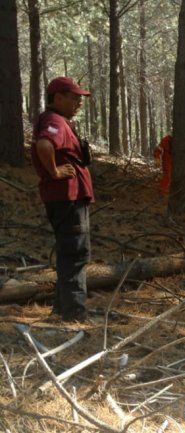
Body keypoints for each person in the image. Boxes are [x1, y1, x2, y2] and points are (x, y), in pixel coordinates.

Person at [31, 77, 93, 322]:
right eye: (74, 97)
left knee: (70, 252)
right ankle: (74, 314)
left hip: (67, 198)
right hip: (67, 198)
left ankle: (61, 308)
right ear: (57, 98)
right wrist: (55, 171)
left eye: (80, 98)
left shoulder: (57, 120)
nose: (79, 103)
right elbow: (44, 145)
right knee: (76, 254)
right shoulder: (54, 121)